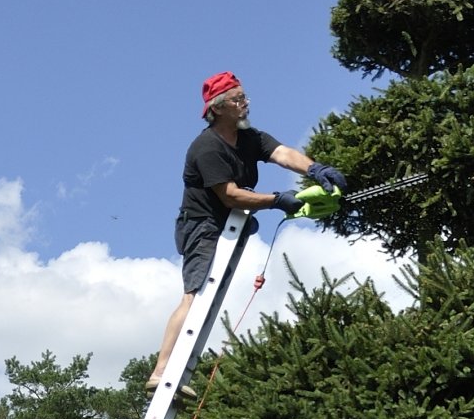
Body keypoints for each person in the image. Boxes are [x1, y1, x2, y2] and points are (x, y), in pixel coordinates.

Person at [146, 72, 346, 394]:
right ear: (219, 107)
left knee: (208, 301)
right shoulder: (207, 148)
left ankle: (180, 374)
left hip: (230, 226)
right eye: (238, 99)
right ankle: (161, 372)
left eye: (245, 97)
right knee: (195, 295)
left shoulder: (248, 137)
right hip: (202, 226)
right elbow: (230, 195)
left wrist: (314, 169)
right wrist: (277, 201)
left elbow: (282, 153)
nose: (245, 103)